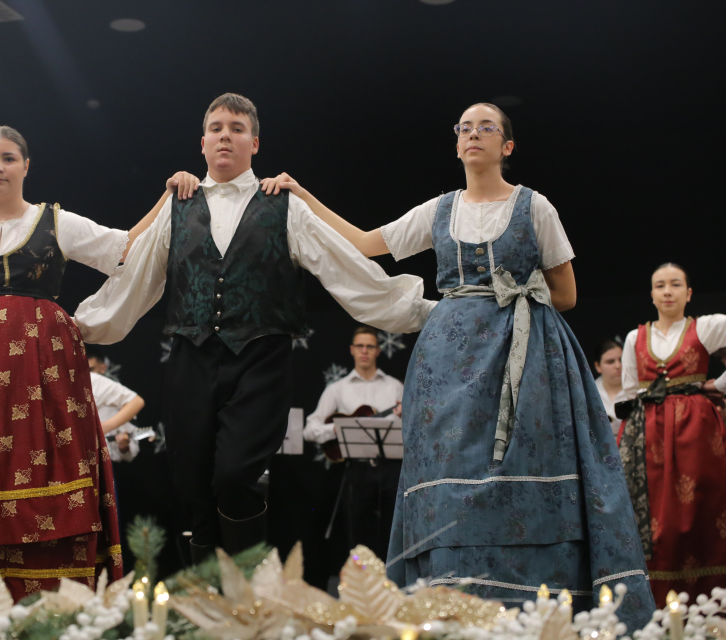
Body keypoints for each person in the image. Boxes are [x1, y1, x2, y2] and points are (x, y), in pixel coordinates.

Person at [261, 103, 652, 628]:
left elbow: (566, 294)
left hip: (526, 355)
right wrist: (302, 196)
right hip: (449, 361)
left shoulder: (535, 207)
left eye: (486, 127)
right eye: (464, 128)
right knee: (450, 470)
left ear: (506, 146)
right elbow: (366, 243)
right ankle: (447, 604)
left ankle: (539, 607)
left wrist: (511, 301)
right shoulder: (439, 210)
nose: (473, 134)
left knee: (526, 465)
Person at [76, 93, 435, 564]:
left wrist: (425, 312)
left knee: (234, 475)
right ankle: (208, 597)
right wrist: (78, 327)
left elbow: (347, 269)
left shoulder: (283, 205)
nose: (226, 135)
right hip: (190, 359)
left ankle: (247, 585)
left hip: (261, 362)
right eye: (217, 128)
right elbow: (134, 279)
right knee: (192, 482)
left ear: (255, 142)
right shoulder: (177, 204)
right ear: (202, 143)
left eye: (237, 128)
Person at [0, 125, 193, 600]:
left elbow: (124, 249)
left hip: (41, 371)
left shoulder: (56, 221)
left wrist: (168, 196)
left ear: (26, 166)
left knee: (43, 461)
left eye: (8, 158)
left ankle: (51, 594)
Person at [617, 263, 726, 606]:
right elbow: (628, 394)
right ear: (651, 294)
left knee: (701, 508)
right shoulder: (635, 338)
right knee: (653, 517)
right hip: (648, 435)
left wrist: (717, 385)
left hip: (697, 434)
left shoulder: (707, 327)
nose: (667, 291)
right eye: (660, 285)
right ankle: (655, 603)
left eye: (676, 284)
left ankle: (708, 603)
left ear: (688, 293)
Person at [304, 326, 403, 560]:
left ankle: (391, 578)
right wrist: (336, 429)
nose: (364, 351)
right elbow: (309, 430)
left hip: (392, 469)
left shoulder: (395, 387)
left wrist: (405, 416)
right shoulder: (337, 389)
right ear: (351, 350)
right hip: (356, 470)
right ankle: (359, 578)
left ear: (378, 350)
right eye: (360, 346)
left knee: (393, 531)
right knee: (357, 533)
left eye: (370, 346)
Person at [86, 346, 145, 462]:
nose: (88, 375)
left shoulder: (97, 384)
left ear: (103, 368)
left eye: (91, 370)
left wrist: (104, 428)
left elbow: (137, 402)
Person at [592, 339, 624, 437]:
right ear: (598, 366)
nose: (618, 366)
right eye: (610, 362)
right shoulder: (588, 395)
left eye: (621, 360)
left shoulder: (637, 391)